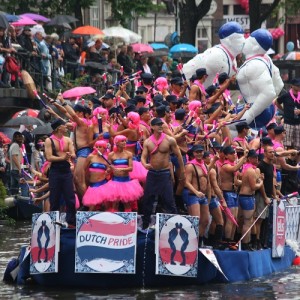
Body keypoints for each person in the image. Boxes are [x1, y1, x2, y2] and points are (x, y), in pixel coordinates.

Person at [141, 117, 185, 229]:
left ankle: (175, 226)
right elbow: (143, 157)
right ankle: (145, 226)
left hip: (165, 173)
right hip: (152, 173)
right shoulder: (148, 141)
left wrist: (182, 171)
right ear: (152, 127)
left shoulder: (170, 140)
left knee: (169, 201)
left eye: (161, 124)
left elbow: (179, 155)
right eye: (158, 124)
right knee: (147, 201)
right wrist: (144, 164)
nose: (160, 126)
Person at [236, 29, 284, 127]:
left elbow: (269, 93)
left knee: (227, 127)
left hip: (255, 111)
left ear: (255, 47)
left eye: (249, 39)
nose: (245, 41)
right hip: (264, 108)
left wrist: (249, 115)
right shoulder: (266, 58)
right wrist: (270, 104)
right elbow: (279, 84)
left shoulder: (255, 64)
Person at [183, 21, 245, 87]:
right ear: (228, 41)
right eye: (239, 38)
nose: (243, 41)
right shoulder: (217, 56)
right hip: (189, 88)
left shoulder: (231, 60)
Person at [44, 118, 76, 226]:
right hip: (55, 171)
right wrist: (63, 157)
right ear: (58, 128)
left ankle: (71, 221)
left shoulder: (67, 139)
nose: (66, 126)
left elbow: (73, 153)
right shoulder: (49, 140)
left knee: (70, 197)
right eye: (63, 125)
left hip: (66, 170)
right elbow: (49, 157)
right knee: (54, 197)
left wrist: (70, 155)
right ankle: (54, 221)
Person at [184, 144, 211, 246]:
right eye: (197, 152)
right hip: (193, 196)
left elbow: (208, 182)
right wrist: (196, 192)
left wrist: (208, 196)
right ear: (194, 153)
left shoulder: (205, 165)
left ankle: (199, 242)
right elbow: (186, 182)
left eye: (201, 152)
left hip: (203, 196)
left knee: (205, 220)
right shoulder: (190, 166)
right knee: (196, 220)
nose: (199, 154)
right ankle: (191, 243)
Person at [238, 150, 264, 250]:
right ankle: (245, 243)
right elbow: (254, 187)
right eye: (255, 158)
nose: (257, 160)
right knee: (247, 222)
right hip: (247, 197)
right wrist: (261, 182)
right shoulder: (251, 170)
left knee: (247, 221)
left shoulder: (247, 169)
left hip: (245, 196)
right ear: (249, 159)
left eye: (257, 158)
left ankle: (246, 242)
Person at [82, 140, 110, 211]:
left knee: (105, 206)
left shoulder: (107, 158)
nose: (98, 148)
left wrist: (108, 172)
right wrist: (84, 181)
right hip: (93, 185)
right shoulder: (91, 157)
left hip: (103, 184)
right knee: (92, 207)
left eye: (100, 147)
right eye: (96, 147)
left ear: (104, 148)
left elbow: (110, 169)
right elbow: (84, 169)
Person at [275, 78, 300, 150]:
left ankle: (296, 160)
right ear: (292, 86)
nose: (299, 87)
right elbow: (277, 102)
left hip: (298, 123)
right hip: (288, 122)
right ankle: (289, 158)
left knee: (298, 144)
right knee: (288, 143)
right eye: (297, 85)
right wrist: (283, 109)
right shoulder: (286, 95)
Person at [9, 131, 28, 196]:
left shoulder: (12, 145)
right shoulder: (16, 145)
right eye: (21, 137)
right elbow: (14, 157)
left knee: (14, 188)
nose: (22, 139)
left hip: (13, 169)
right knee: (24, 185)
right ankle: (25, 201)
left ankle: (14, 201)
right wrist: (20, 168)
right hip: (16, 169)